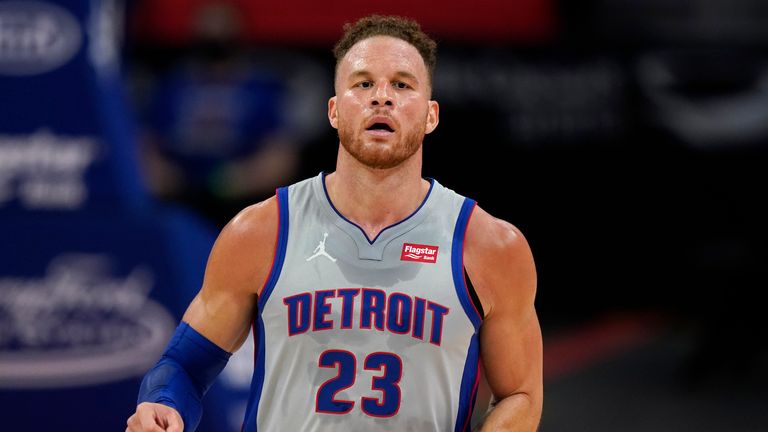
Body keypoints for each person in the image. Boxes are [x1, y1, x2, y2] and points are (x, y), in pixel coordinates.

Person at [126, 15, 542, 432]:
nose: (382, 97)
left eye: (402, 84)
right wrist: (163, 406)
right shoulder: (260, 232)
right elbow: (183, 365)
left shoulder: (489, 245)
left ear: (431, 115)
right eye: (362, 84)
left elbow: (520, 394)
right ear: (334, 111)